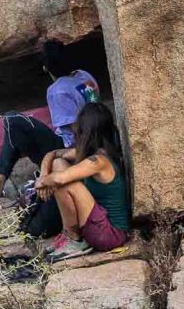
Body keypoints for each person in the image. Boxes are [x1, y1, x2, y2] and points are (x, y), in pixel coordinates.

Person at [0, 40, 101, 201]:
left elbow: (75, 129)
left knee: (13, 121)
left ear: (45, 67)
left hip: (73, 150)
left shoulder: (57, 91)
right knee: (18, 128)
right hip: (96, 137)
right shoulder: (85, 75)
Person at [33, 100, 131, 261]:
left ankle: (75, 239)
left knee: (66, 182)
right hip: (99, 225)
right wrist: (44, 175)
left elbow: (59, 179)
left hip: (110, 234)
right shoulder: (94, 153)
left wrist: (41, 183)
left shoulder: (99, 161)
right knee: (59, 164)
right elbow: (53, 154)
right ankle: (69, 234)